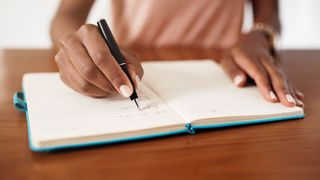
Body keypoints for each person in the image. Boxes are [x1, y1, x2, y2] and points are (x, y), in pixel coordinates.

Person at [50, 0, 304, 108]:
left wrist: (260, 34)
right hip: (131, 72)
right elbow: (67, 15)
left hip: (228, 75)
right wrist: (78, 47)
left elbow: (268, 11)